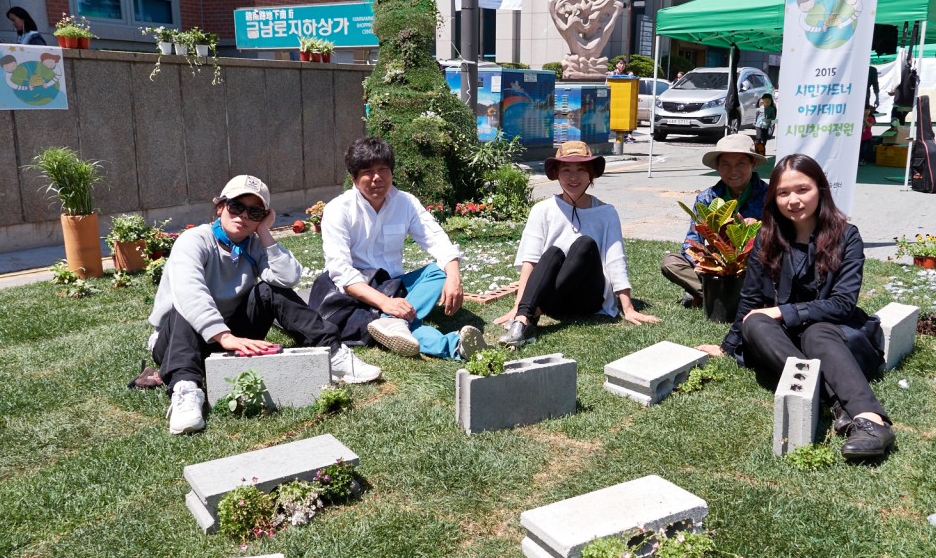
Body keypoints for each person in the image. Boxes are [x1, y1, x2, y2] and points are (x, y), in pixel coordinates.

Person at [697, 154, 895, 460]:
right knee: (754, 321)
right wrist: (728, 346)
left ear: (821, 190)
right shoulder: (768, 237)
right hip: (784, 340)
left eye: (802, 190)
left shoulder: (846, 236)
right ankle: (835, 398)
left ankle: (872, 420)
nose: (793, 200)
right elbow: (750, 297)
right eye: (783, 193)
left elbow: (842, 304)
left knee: (815, 333)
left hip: (835, 335)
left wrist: (783, 312)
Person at [149, 175, 381, 434]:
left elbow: (288, 278)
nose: (243, 216)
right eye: (236, 206)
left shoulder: (254, 245)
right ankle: (186, 388)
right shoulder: (194, 240)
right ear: (220, 207)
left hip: (230, 335)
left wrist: (265, 234)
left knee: (269, 290)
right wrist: (223, 336)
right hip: (176, 341)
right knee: (184, 308)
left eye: (255, 212)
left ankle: (334, 354)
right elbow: (190, 292)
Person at [314, 136, 487, 360]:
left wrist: (454, 277)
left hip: (394, 287)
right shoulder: (339, 209)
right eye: (367, 171)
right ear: (354, 178)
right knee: (402, 319)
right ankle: (453, 346)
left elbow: (438, 241)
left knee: (440, 271)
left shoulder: (405, 203)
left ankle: (390, 322)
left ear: (391, 172)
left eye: (383, 169)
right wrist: (385, 303)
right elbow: (341, 271)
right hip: (357, 294)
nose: (377, 178)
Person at [496, 141, 659, 345]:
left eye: (581, 170)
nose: (573, 177)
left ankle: (529, 315)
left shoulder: (606, 213)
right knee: (553, 252)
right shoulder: (542, 210)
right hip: (554, 304)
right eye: (566, 170)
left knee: (585, 244)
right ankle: (523, 319)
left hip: (588, 299)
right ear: (556, 173)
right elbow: (530, 260)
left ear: (591, 173)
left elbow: (616, 260)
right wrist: (518, 305)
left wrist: (627, 307)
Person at [661, 133, 768, 308]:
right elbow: (691, 242)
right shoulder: (706, 198)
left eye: (740, 163)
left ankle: (712, 295)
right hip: (714, 271)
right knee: (670, 262)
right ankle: (724, 295)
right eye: (726, 164)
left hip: (752, 269)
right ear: (717, 167)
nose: (733, 171)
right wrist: (709, 264)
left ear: (753, 164)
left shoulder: (769, 196)